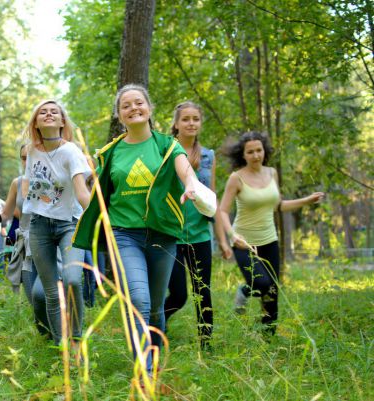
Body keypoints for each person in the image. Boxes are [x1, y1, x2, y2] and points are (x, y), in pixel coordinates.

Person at [73, 84, 199, 377]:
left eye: (139, 103)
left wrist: (191, 184)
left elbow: (185, 170)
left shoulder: (167, 145)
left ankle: (155, 351)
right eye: (126, 105)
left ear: (149, 109)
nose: (133, 108)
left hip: (162, 233)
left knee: (155, 306)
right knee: (138, 299)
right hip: (123, 233)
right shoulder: (112, 151)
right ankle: (145, 369)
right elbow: (98, 191)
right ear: (120, 115)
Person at [0, 100, 91, 349]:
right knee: (48, 293)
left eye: (54, 112)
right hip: (38, 227)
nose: (48, 114)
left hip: (69, 225)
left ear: (62, 121)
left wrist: (100, 216)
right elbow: (26, 193)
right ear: (36, 122)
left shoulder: (71, 151)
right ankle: (61, 347)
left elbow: (82, 193)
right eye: (42, 112)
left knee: (71, 279)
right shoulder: (33, 152)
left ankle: (77, 340)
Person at [218, 131, 324, 334]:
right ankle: (244, 291)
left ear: (264, 151)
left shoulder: (271, 173)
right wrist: (232, 235)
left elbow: (278, 205)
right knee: (260, 283)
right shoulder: (237, 178)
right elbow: (223, 210)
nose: (256, 155)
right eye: (251, 152)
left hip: (269, 240)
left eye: (259, 150)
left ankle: (268, 336)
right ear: (243, 155)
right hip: (243, 242)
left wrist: (307, 200)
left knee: (272, 291)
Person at [163, 101, 226, 349]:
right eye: (186, 119)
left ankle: (206, 343)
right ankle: (158, 322)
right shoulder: (165, 151)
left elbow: (211, 196)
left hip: (200, 234)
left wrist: (222, 238)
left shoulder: (208, 156)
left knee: (204, 291)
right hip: (171, 234)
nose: (191, 123)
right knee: (178, 295)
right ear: (176, 124)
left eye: (195, 119)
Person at [0, 144, 51, 333]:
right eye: (23, 158)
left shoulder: (52, 178)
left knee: (44, 293)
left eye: (31, 156)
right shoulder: (17, 182)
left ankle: (59, 333)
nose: (27, 161)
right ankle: (44, 335)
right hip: (26, 246)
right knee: (32, 296)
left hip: (48, 243)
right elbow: (5, 215)